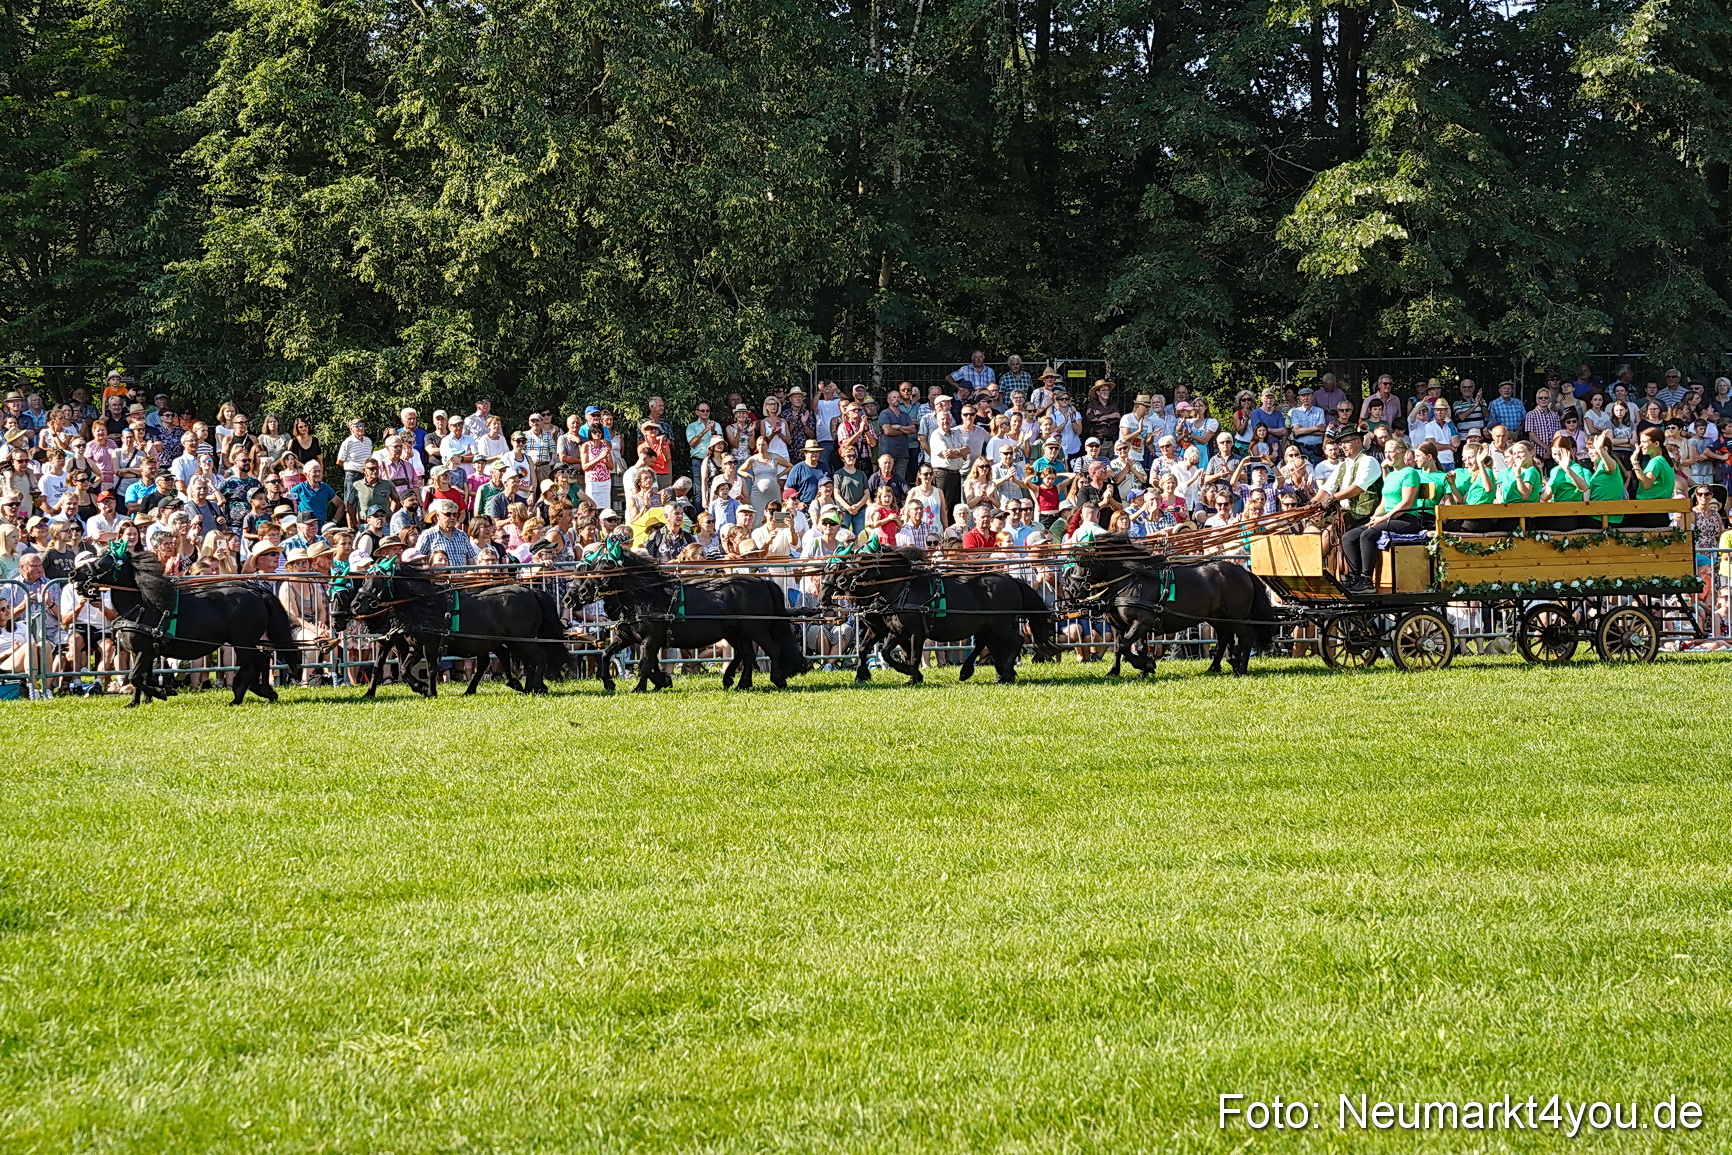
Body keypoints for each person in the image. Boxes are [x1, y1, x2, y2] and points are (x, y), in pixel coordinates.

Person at [1340, 438, 1423, 591]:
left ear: (1402, 452)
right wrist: (1374, 518)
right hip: (1388, 517)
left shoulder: (1410, 473)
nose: (1388, 455)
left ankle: (1367, 580)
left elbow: (1405, 504)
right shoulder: (1390, 475)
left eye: (1391, 451)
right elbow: (1384, 502)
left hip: (1406, 519)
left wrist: (1381, 519)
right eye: (1385, 452)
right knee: (1349, 537)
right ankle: (1355, 577)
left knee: (1367, 535)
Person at [1627, 427, 1677, 527]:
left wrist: (1635, 462)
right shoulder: (1666, 461)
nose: (1640, 445)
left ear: (1656, 444)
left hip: (1650, 511)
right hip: (1661, 512)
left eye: (1644, 442)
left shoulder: (1656, 461)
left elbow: (1647, 484)